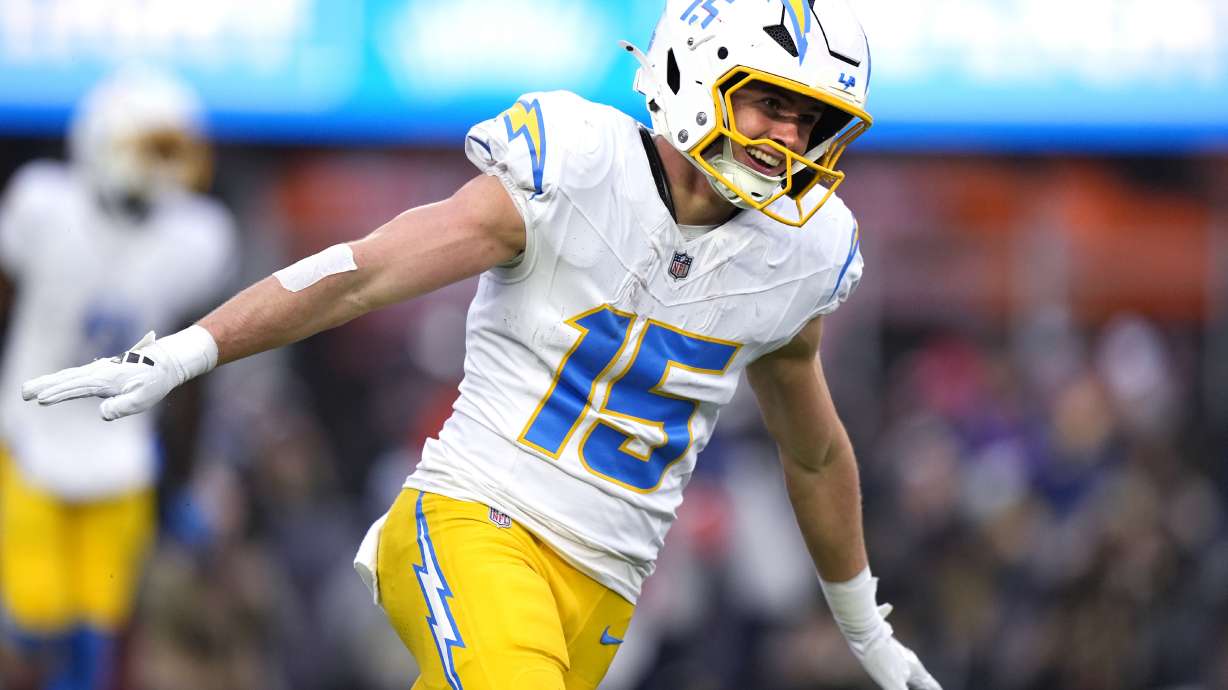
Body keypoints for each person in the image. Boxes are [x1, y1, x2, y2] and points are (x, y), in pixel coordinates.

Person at [22, 2, 941, 689]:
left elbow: (814, 452)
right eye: (772, 105)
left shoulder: (803, 255)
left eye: (810, 122)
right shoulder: (574, 162)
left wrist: (866, 628)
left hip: (609, 590)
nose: (790, 141)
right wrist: (191, 349)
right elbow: (365, 272)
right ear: (699, 75)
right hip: (475, 521)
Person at [0, 66, 236, 690]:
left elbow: (194, 366)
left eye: (177, 150)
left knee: (98, 639)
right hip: (28, 436)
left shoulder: (197, 239)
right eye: (156, 149)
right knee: (30, 628)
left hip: (123, 452)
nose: (172, 167)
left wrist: (183, 474)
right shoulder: (44, 207)